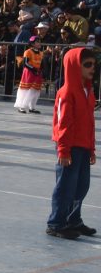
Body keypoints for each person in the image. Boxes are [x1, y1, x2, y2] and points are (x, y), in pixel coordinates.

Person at [47, 47, 97, 239]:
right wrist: (63, 150)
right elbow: (63, 123)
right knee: (66, 186)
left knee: (81, 186)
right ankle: (56, 223)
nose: (92, 68)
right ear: (75, 66)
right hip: (70, 147)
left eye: (93, 65)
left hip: (83, 146)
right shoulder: (67, 92)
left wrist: (91, 148)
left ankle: (73, 219)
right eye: (87, 65)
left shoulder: (88, 92)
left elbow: (90, 123)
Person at [14, 36, 44, 113]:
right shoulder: (28, 52)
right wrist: (33, 69)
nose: (39, 43)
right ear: (32, 44)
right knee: (25, 89)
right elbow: (25, 63)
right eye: (37, 42)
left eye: (39, 41)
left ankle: (32, 107)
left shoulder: (41, 53)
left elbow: (41, 64)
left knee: (35, 90)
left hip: (37, 73)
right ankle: (21, 106)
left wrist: (41, 70)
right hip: (29, 72)